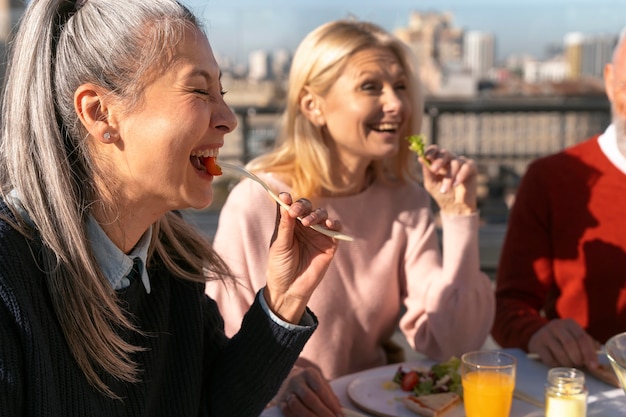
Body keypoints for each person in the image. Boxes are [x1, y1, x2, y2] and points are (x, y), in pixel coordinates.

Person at [0, 1, 344, 416]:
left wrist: (283, 301)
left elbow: (213, 405)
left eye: (223, 92)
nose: (229, 119)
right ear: (99, 112)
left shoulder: (171, 258)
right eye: (199, 90)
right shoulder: (8, 275)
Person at [206, 19, 495, 417]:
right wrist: (280, 379)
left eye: (401, 86)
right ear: (313, 105)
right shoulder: (258, 201)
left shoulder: (407, 200)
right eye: (371, 86)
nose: (396, 103)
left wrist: (459, 216)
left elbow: (455, 343)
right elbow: (223, 343)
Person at [492, 28, 626, 371]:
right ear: (610, 81)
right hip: (588, 390)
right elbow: (509, 308)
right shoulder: (551, 179)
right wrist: (540, 333)